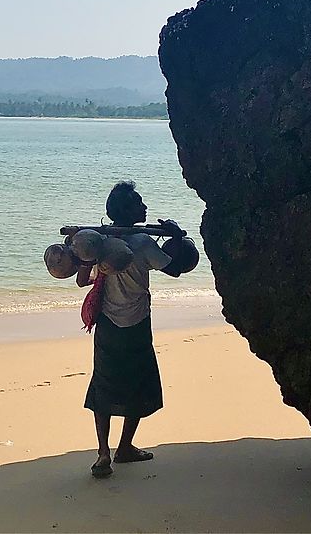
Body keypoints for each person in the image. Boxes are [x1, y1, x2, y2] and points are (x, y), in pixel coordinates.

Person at [76, 180, 181, 479]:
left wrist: (83, 253)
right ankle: (124, 448)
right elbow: (173, 268)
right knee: (138, 382)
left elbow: (82, 280)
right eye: (139, 203)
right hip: (136, 322)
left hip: (108, 325)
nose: (145, 208)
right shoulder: (143, 243)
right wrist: (173, 236)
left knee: (104, 384)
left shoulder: (100, 243)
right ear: (128, 211)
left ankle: (103, 453)